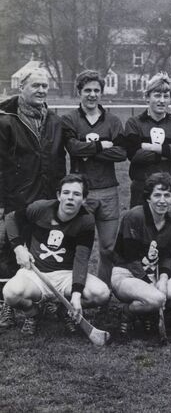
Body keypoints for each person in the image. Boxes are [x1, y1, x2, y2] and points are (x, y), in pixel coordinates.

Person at [0, 175, 110, 335]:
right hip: (36, 274)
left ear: (84, 199)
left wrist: (76, 295)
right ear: (59, 195)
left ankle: (64, 309)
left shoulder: (86, 221)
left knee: (101, 293)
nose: (70, 198)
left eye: (76, 194)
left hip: (66, 275)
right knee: (10, 293)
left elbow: (81, 259)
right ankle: (33, 313)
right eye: (66, 192)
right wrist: (18, 248)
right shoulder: (40, 208)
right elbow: (11, 218)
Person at [111, 173, 171, 337]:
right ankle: (127, 312)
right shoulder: (134, 216)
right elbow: (131, 259)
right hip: (127, 273)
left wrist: (164, 279)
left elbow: (167, 255)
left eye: (167, 195)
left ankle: (149, 310)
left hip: (155, 273)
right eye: (157, 195)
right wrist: (150, 284)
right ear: (148, 197)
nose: (162, 200)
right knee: (157, 298)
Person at [61, 70, 127, 286]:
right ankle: (73, 287)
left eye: (96, 90)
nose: (92, 95)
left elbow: (121, 153)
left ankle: (103, 289)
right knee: (76, 246)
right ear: (79, 92)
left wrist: (88, 150)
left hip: (108, 190)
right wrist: (101, 145)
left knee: (108, 247)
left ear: (101, 92)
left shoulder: (113, 121)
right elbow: (73, 148)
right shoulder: (69, 119)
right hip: (80, 193)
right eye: (87, 90)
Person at [0, 67, 66, 279]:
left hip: (47, 199)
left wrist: (59, 196)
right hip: (17, 200)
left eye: (45, 86)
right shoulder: (5, 120)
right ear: (21, 87)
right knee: (13, 252)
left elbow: (59, 161)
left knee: (43, 253)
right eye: (35, 85)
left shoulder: (55, 121)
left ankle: (40, 293)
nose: (41, 90)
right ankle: (7, 295)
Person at [123, 73, 171, 208]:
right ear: (147, 97)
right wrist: (168, 153)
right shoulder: (134, 123)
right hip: (141, 187)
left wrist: (152, 147)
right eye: (157, 95)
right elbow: (134, 155)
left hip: (168, 188)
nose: (162, 100)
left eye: (166, 96)